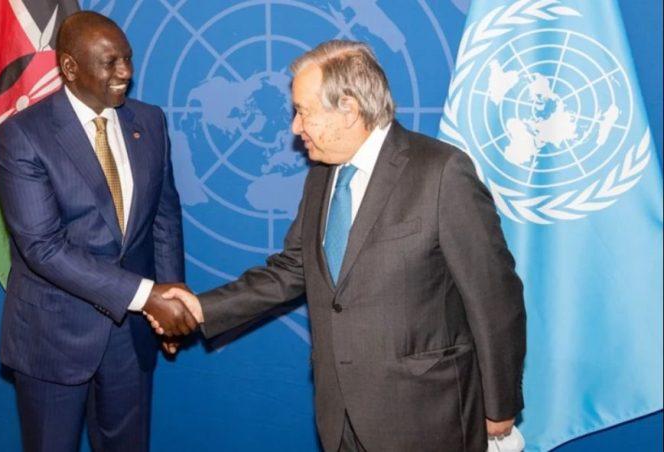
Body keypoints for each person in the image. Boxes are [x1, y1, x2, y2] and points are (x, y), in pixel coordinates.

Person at [157, 40, 526, 451]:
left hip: (426, 414)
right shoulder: (322, 176)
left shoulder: (441, 172)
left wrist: (500, 405)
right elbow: (293, 268)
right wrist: (202, 309)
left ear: (348, 108)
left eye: (302, 111)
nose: (296, 127)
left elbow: (494, 296)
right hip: (339, 415)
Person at [0, 11, 197, 452]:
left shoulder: (150, 120)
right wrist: (148, 296)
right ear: (69, 67)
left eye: (127, 59)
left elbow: (164, 216)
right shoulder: (23, 136)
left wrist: (171, 294)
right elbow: (43, 249)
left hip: (132, 337)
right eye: (110, 62)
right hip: (53, 335)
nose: (126, 72)